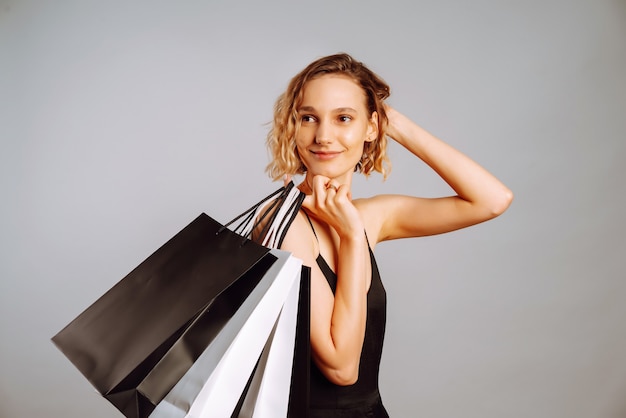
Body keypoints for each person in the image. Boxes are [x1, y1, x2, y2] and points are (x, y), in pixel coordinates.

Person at [265, 53, 513, 417]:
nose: (323, 136)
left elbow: (492, 200)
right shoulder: (282, 223)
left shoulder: (369, 216)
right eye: (308, 118)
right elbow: (341, 367)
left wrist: (393, 123)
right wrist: (350, 237)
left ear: (370, 127)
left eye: (344, 118)